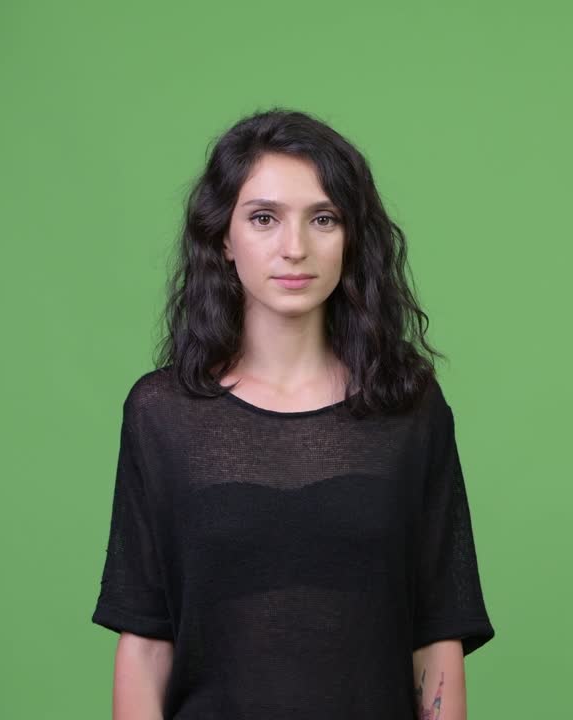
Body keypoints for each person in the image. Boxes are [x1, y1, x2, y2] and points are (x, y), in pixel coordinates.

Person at [92, 110, 493, 719]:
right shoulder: (161, 414)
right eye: (263, 218)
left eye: (323, 218)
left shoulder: (409, 408)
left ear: (351, 238)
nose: (295, 248)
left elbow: (438, 635)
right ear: (223, 238)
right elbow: (145, 643)